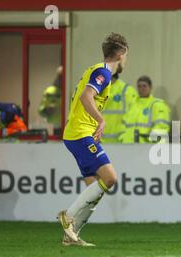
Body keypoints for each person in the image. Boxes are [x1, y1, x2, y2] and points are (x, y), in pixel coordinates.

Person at [59, 33, 128, 246]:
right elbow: (86, 96)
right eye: (127, 55)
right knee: (110, 178)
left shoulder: (95, 69)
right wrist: (101, 120)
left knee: (95, 189)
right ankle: (68, 216)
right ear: (121, 54)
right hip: (81, 133)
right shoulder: (103, 72)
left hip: (79, 133)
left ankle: (71, 236)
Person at [118, 76, 171, 143]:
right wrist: (122, 137)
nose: (141, 89)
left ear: (150, 87)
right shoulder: (132, 105)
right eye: (139, 86)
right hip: (128, 145)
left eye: (144, 86)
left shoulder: (157, 105)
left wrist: (151, 141)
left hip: (146, 146)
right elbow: (123, 124)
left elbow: (161, 126)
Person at [101, 72, 138, 143]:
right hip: (101, 141)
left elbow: (133, 117)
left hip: (121, 140)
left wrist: (127, 137)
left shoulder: (127, 90)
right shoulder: (98, 90)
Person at [39, 66, 63, 134]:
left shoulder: (71, 91)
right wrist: (47, 110)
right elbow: (41, 110)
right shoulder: (50, 92)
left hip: (71, 126)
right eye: (60, 77)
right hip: (54, 126)